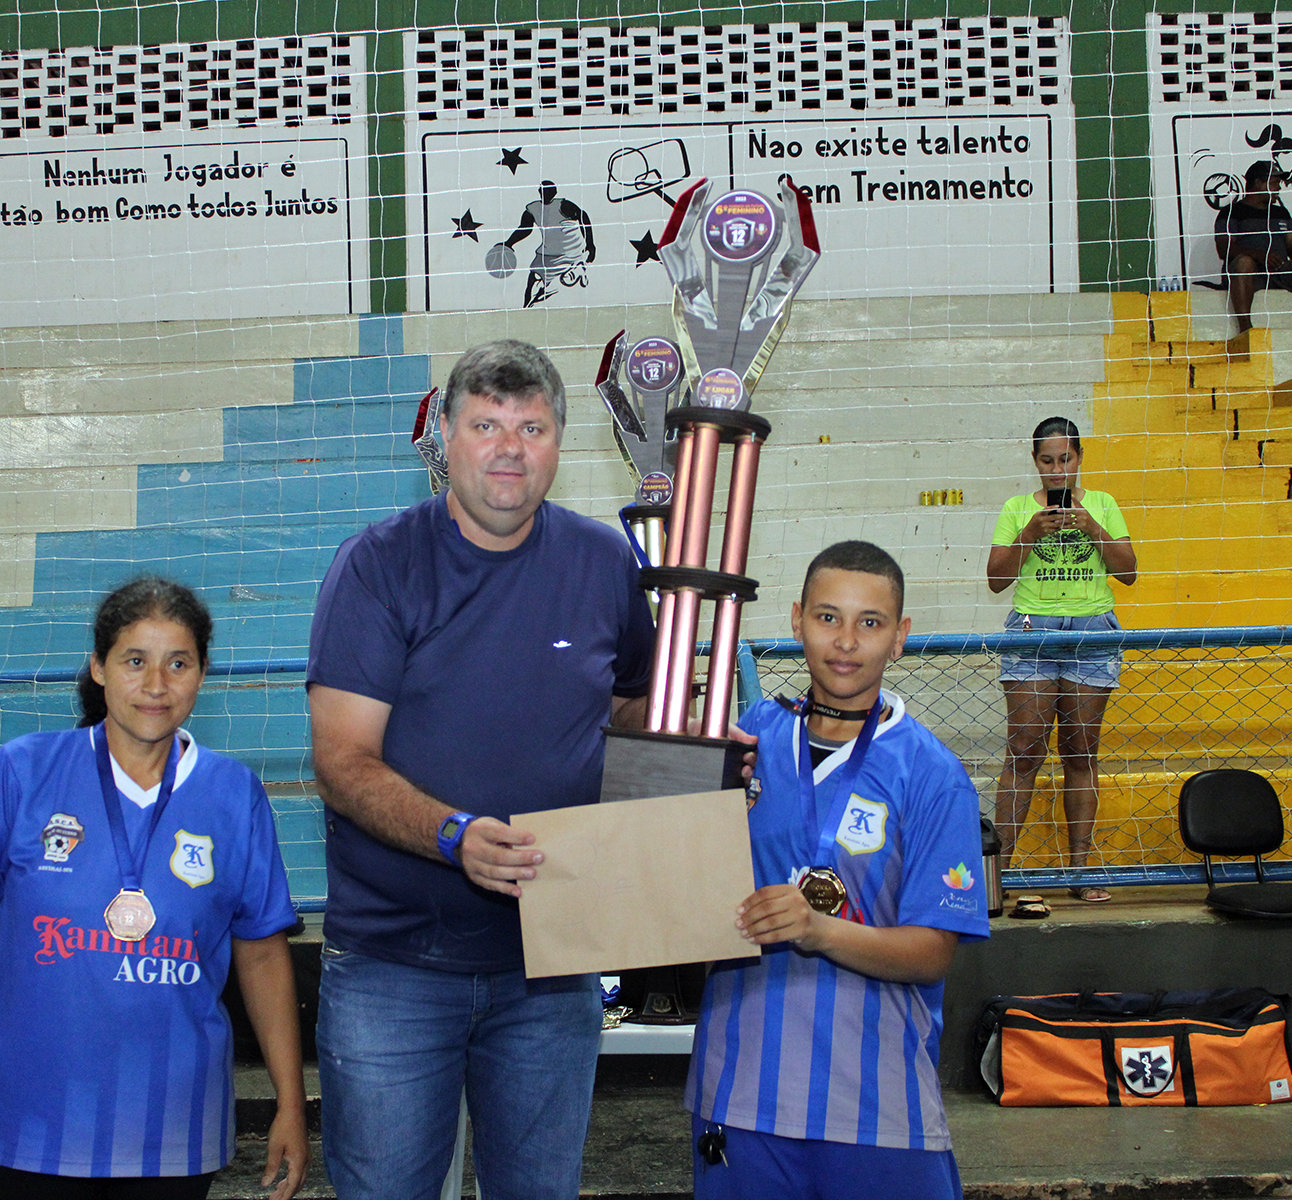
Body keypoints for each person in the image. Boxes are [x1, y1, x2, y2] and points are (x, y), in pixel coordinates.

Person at [305, 338, 655, 1200]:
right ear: (448, 440)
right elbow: (342, 762)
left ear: (559, 444)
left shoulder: (605, 563)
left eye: (532, 428)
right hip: (393, 966)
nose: (509, 448)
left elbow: (633, 712)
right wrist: (453, 835)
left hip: (553, 964)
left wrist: (705, 743)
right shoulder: (378, 565)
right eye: (486, 425)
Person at [0, 577, 307, 1200]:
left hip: (173, 1129)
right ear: (98, 667)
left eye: (178, 663)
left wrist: (291, 1102)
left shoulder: (235, 794)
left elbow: (261, 955)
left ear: (203, 673)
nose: (157, 685)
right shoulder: (23, 771)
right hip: (30, 1122)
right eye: (135, 661)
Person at [687, 540, 990, 1200]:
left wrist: (817, 929)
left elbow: (933, 953)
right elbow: (680, 882)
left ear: (899, 637)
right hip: (741, 1099)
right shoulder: (747, 743)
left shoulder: (933, 776)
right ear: (797, 620)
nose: (846, 641)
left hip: (878, 1108)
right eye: (828, 617)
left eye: (869, 622)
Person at [988, 417, 1137, 903]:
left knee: (1081, 752)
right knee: (1024, 751)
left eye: (1065, 459)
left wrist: (1092, 527)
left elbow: (1129, 571)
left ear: (1079, 458)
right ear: (1035, 462)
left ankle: (1079, 868)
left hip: (1091, 632)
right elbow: (996, 580)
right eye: (1047, 461)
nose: (1057, 470)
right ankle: (997, 875)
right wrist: (1030, 533)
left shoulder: (1103, 504)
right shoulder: (1017, 509)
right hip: (1033, 631)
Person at [1215, 159, 1292, 333]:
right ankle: (1245, 329)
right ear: (1258, 183)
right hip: (1250, 274)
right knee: (1244, 262)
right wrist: (1259, 255)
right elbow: (1224, 249)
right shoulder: (1231, 212)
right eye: (1274, 183)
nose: (1278, 188)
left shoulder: (1280, 212)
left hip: (1279, 271)